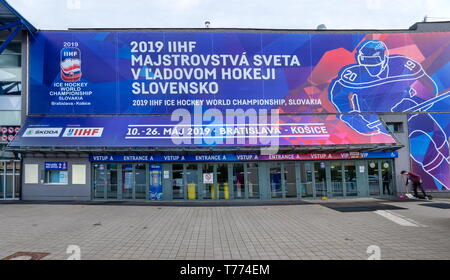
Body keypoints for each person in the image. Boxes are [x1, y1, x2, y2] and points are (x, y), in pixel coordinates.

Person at [329, 40, 450, 190]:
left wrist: (422, 99)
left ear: (384, 58)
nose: (371, 68)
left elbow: (427, 82)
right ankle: (447, 180)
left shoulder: (402, 63)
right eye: (367, 63)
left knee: (440, 139)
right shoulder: (353, 75)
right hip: (385, 120)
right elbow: (337, 96)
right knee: (428, 154)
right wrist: (351, 117)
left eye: (374, 62)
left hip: (410, 109)